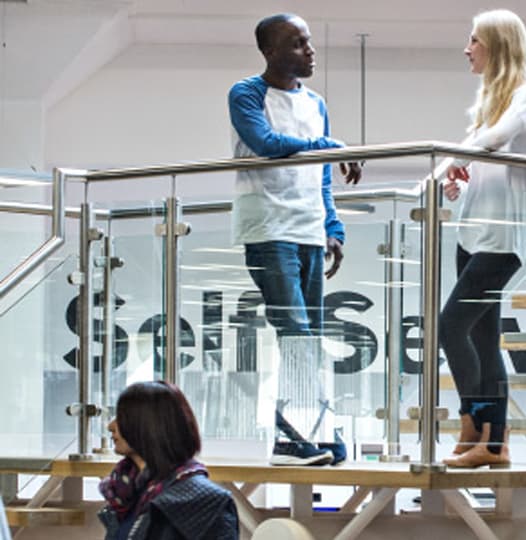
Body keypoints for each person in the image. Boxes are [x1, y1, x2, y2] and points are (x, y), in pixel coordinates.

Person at [229, 13, 362, 465]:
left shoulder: (316, 103)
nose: (310, 51)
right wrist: (332, 144)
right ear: (269, 52)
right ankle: (290, 437)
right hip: (268, 227)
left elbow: (322, 175)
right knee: (296, 333)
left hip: (307, 229)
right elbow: (264, 142)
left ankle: (309, 428)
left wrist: (333, 227)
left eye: (308, 42)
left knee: (310, 335)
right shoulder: (246, 93)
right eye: (297, 44)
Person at [438, 9, 526, 469]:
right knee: (483, 341)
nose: (467, 49)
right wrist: (458, 182)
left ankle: (474, 420)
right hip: (473, 234)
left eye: (475, 40)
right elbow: (486, 161)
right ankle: (495, 442)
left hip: (503, 241)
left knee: (451, 327)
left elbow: (497, 139)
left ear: (498, 46)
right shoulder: (492, 99)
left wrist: (453, 157)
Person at [98, 381, 238, 540]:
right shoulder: (126, 492)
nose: (110, 426)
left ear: (149, 425)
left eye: (122, 416)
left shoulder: (206, 502)